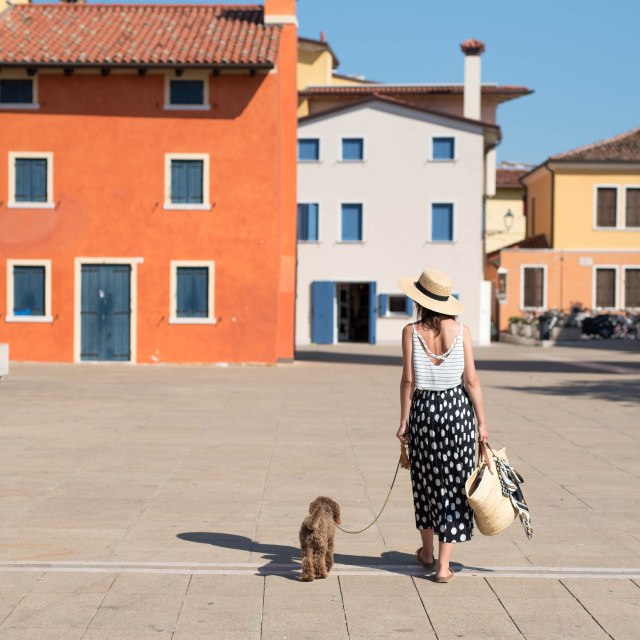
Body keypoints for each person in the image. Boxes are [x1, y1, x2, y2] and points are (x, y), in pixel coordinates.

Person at [396, 269, 489, 583]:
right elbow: (471, 380)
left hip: (424, 412)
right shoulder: (462, 331)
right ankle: (443, 566)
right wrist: (482, 423)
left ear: (420, 301)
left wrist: (404, 420)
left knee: (425, 483)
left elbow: (408, 380)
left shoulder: (410, 331)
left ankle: (426, 552)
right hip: (457, 413)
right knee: (454, 486)